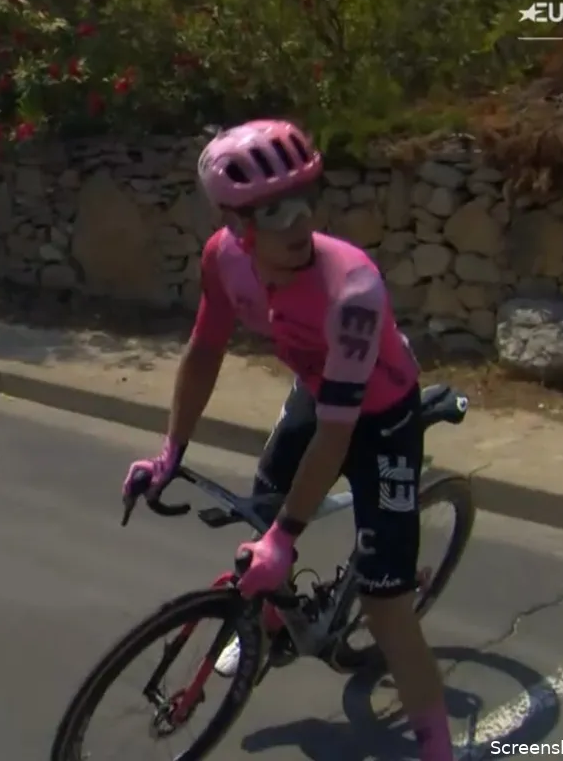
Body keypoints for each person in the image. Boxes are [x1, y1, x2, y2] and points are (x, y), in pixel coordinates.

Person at [123, 119, 451, 760]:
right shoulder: (222, 258)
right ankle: (272, 622)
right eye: (275, 210)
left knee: (386, 609)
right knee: (263, 509)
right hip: (318, 391)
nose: (299, 221)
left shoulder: (352, 288)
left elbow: (339, 431)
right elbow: (205, 349)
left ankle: (438, 745)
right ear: (236, 223)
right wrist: (170, 453)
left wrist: (285, 538)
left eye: (305, 198)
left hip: (380, 418)